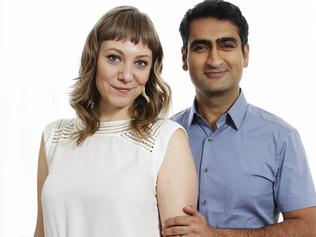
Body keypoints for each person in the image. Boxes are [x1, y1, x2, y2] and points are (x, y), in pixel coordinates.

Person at [33, 6, 198, 237]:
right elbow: (41, 231)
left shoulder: (166, 139)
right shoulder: (54, 136)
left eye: (140, 63)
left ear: (151, 70)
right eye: (114, 58)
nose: (126, 75)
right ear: (93, 59)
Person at [163, 0, 316, 236]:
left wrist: (217, 234)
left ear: (245, 54)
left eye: (226, 45)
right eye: (201, 47)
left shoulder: (281, 137)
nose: (214, 59)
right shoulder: (164, 135)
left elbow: (308, 227)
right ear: (184, 57)